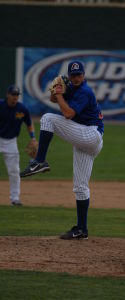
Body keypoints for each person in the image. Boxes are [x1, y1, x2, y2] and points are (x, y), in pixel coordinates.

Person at [20, 60, 104, 240]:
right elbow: (53, 99)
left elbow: (67, 114)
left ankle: (39, 161)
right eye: (73, 75)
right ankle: (82, 229)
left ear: (84, 75)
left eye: (79, 74)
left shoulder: (84, 91)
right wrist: (57, 90)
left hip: (91, 134)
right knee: (80, 187)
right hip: (87, 140)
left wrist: (59, 94)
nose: (76, 78)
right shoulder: (72, 86)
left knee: (48, 119)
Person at [0, 84, 37, 206]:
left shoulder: (22, 109)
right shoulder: (1, 105)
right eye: (13, 94)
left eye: (17, 95)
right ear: (7, 95)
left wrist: (33, 138)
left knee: (14, 171)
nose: (15, 97)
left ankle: (15, 198)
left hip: (11, 142)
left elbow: (29, 123)